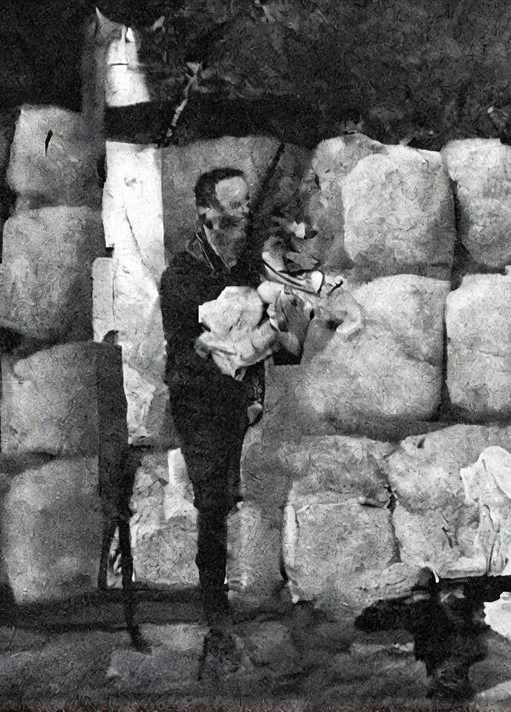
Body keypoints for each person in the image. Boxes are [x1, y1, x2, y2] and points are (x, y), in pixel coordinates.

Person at [159, 167, 304, 678]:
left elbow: (290, 307)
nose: (245, 214)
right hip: (198, 398)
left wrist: (288, 291)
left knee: (237, 492)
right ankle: (216, 616)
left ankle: (239, 602)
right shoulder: (182, 275)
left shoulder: (248, 262)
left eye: (247, 204)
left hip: (241, 397)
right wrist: (238, 349)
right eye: (235, 207)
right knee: (212, 501)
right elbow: (187, 350)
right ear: (207, 215)